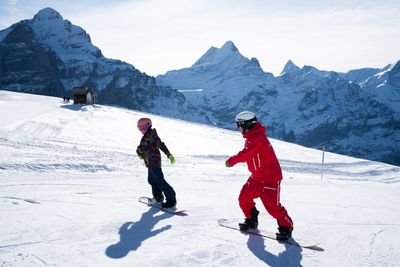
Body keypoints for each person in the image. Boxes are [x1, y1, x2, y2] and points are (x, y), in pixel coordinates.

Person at [225, 111, 294, 240]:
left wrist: (231, 161)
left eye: (239, 126)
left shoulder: (257, 138)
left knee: (273, 207)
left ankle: (286, 227)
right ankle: (251, 220)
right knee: (244, 198)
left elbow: (246, 154)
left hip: (270, 178)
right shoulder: (252, 137)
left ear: (246, 125)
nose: (238, 129)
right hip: (257, 176)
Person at [136, 117, 177, 208]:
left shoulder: (149, 136)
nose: (141, 130)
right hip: (151, 162)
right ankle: (158, 197)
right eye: (139, 128)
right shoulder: (153, 135)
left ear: (148, 126)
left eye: (143, 128)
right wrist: (169, 155)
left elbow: (141, 148)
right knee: (152, 180)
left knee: (160, 181)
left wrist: (139, 153)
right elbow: (160, 145)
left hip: (154, 161)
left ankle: (171, 200)